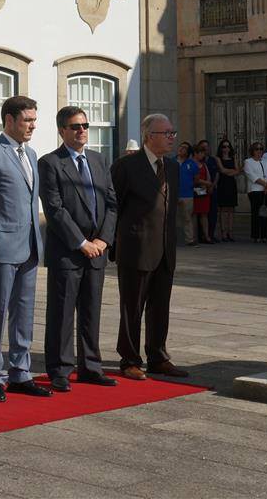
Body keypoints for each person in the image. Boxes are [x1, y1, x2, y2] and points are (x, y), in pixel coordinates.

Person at [39, 107, 119, 392]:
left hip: (97, 250)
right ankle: (59, 369)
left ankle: (91, 366)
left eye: (85, 125)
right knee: (61, 313)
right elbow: (55, 208)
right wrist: (81, 242)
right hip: (68, 251)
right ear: (62, 130)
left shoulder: (98, 160)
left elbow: (111, 203)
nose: (82, 130)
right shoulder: (50, 163)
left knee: (91, 310)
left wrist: (103, 241)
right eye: (75, 126)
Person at [0, 96, 51, 401]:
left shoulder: (31, 154)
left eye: (35, 120)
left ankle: (21, 372)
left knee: (24, 313)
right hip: (2, 247)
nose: (33, 125)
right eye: (27, 120)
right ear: (9, 120)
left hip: (31, 245)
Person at [111, 114, 186, 381]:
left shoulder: (173, 167)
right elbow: (114, 207)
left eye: (172, 132)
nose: (171, 137)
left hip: (165, 249)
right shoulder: (126, 166)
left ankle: (158, 356)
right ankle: (129, 359)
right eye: (165, 133)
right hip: (135, 248)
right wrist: (112, 244)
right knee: (132, 307)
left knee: (160, 306)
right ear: (148, 136)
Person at [243, 142, 267, 244]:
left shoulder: (266, 161)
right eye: (257, 149)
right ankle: (257, 235)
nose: (259, 151)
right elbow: (252, 176)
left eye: (261, 149)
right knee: (257, 214)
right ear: (252, 151)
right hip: (255, 191)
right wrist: (265, 185)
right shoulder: (248, 162)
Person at [214, 139, 239, 242]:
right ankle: (223, 232)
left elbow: (238, 170)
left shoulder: (234, 158)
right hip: (222, 184)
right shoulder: (218, 158)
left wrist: (229, 171)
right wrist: (232, 171)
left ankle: (230, 232)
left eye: (228, 146)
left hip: (231, 184)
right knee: (223, 209)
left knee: (231, 209)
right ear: (221, 148)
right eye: (224, 147)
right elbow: (222, 170)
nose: (226, 149)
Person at [175, 142, 199, 247]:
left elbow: (196, 179)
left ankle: (190, 239)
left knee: (187, 217)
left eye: (184, 148)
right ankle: (171, 238)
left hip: (187, 195)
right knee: (171, 217)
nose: (181, 149)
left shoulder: (192, 164)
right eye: (180, 146)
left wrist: (189, 186)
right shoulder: (171, 161)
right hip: (173, 194)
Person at [197, 139, 221, 242]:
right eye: (203, 147)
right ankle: (201, 235)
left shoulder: (212, 160)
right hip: (200, 190)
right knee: (201, 213)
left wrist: (212, 186)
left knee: (212, 213)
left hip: (212, 189)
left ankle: (210, 234)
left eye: (207, 147)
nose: (205, 149)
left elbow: (216, 174)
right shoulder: (196, 162)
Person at [191, 145, 213, 245]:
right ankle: (194, 237)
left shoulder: (203, 164)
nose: (203, 155)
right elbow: (192, 178)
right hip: (194, 191)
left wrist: (208, 186)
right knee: (194, 215)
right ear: (195, 153)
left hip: (203, 192)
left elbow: (208, 177)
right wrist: (205, 183)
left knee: (204, 214)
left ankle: (206, 236)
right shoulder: (190, 163)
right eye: (201, 153)